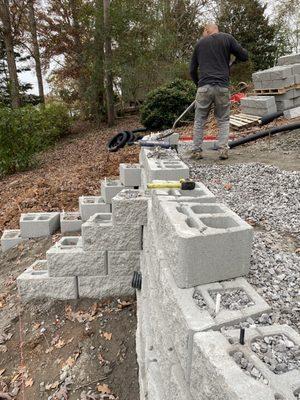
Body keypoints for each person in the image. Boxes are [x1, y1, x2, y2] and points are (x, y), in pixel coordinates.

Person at [189, 23, 248, 160]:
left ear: (206, 30)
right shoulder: (227, 39)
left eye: (203, 32)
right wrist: (232, 64)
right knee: (223, 120)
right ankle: (223, 150)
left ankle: (197, 151)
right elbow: (244, 56)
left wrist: (199, 84)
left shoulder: (199, 44)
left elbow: (192, 70)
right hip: (222, 86)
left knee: (199, 120)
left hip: (204, 87)